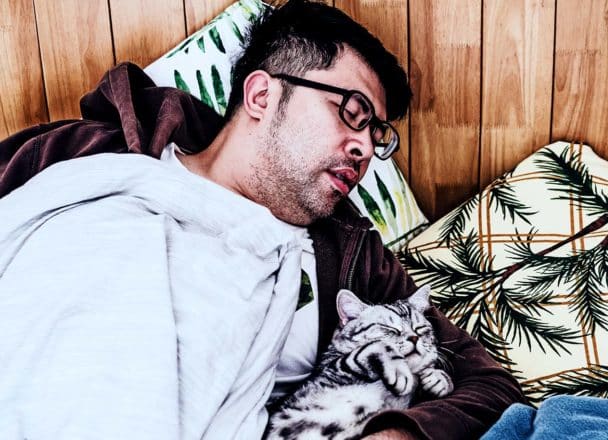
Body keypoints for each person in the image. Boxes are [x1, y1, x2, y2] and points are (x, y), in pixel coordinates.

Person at [0, 1, 527, 439]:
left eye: (376, 134)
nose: (366, 147)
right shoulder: (88, 154)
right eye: (351, 112)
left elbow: (490, 386)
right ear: (261, 95)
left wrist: (396, 434)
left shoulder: (350, 256)